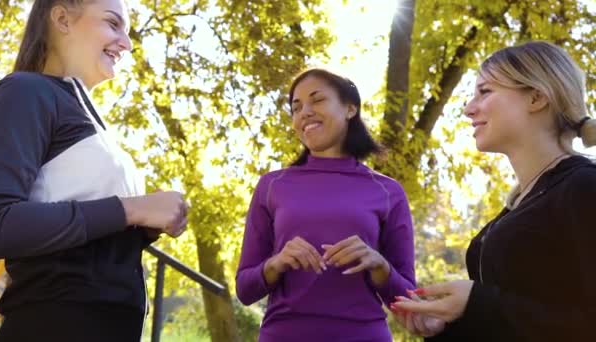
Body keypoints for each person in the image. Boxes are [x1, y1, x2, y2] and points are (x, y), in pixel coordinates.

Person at [0, 0, 189, 341]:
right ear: (63, 19)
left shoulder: (93, 120)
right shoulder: (25, 91)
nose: (126, 43)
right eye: (113, 24)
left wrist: (144, 225)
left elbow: (83, 230)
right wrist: (131, 209)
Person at [391, 41, 596, 341]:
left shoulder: (583, 188)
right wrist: (447, 327)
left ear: (537, 97)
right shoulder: (516, 207)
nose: (467, 109)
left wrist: (478, 303)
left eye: (484, 92)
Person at [236, 68, 416, 341]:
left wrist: (380, 266)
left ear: (350, 108)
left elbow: (407, 297)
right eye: (296, 108)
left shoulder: (388, 191)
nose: (304, 112)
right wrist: (277, 263)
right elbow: (245, 290)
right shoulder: (272, 186)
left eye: (317, 100)